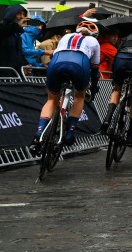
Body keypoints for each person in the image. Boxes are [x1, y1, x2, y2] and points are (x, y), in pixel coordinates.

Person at [32, 18, 101, 152]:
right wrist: (94, 86)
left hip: (57, 62)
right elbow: (95, 68)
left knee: (52, 99)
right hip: (79, 64)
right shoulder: (94, 42)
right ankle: (70, 132)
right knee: (80, 96)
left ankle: (39, 133)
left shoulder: (66, 36)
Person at [0, 4, 27, 72]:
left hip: (14, 74)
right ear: (11, 14)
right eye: (19, 13)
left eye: (24, 14)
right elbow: (1, 33)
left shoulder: (16, 33)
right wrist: (16, 26)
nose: (22, 17)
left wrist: (25, 64)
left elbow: (17, 53)